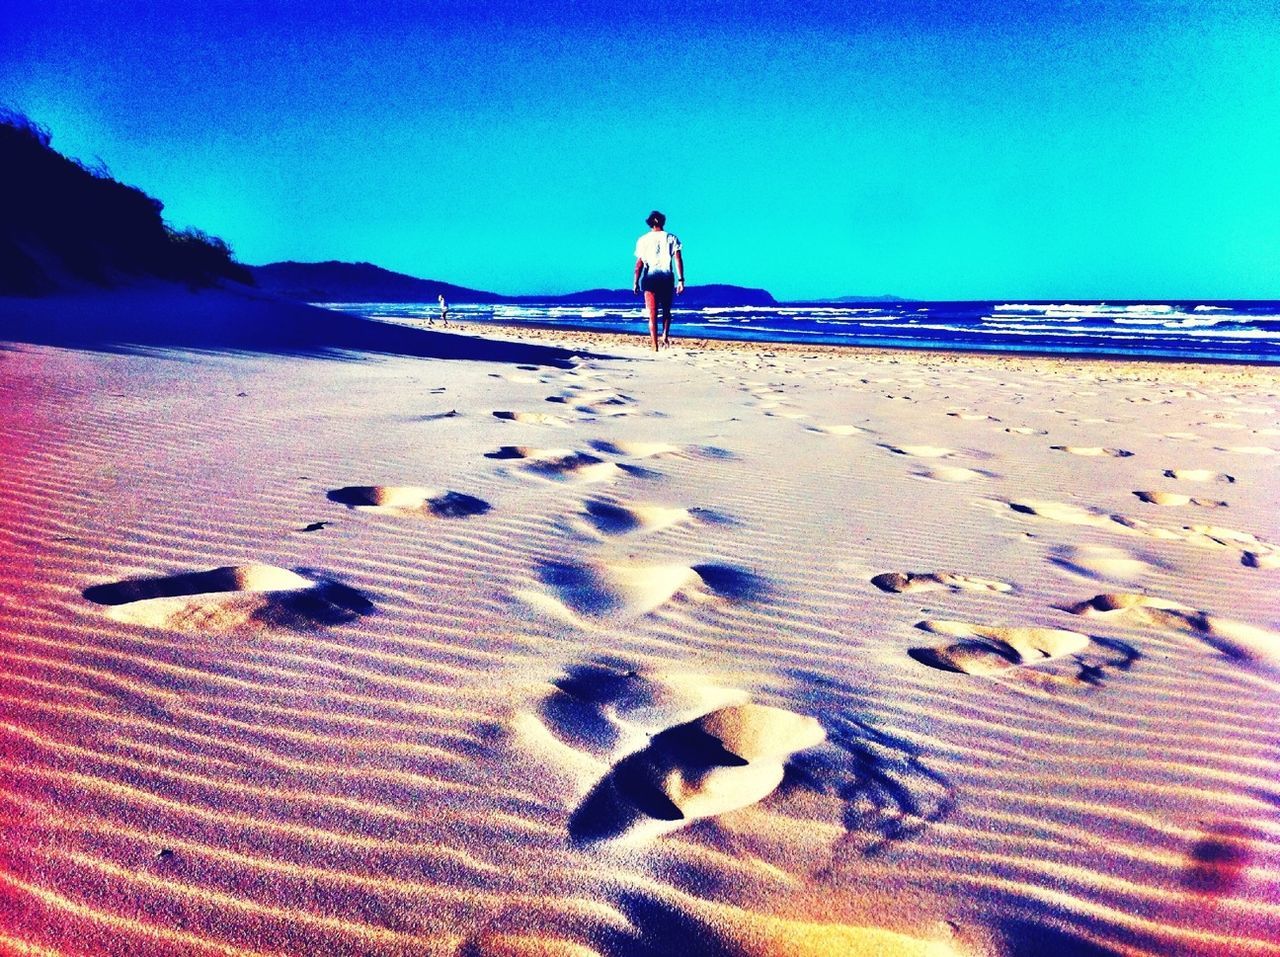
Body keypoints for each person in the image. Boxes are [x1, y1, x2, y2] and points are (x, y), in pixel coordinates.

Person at [632, 210, 685, 350]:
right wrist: (681, 280)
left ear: (650, 223)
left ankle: (655, 344)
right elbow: (678, 259)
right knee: (666, 311)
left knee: (652, 314)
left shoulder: (642, 240)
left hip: (650, 278)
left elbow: (639, 265)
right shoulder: (672, 238)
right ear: (662, 221)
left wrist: (635, 282)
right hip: (666, 278)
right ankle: (665, 337)